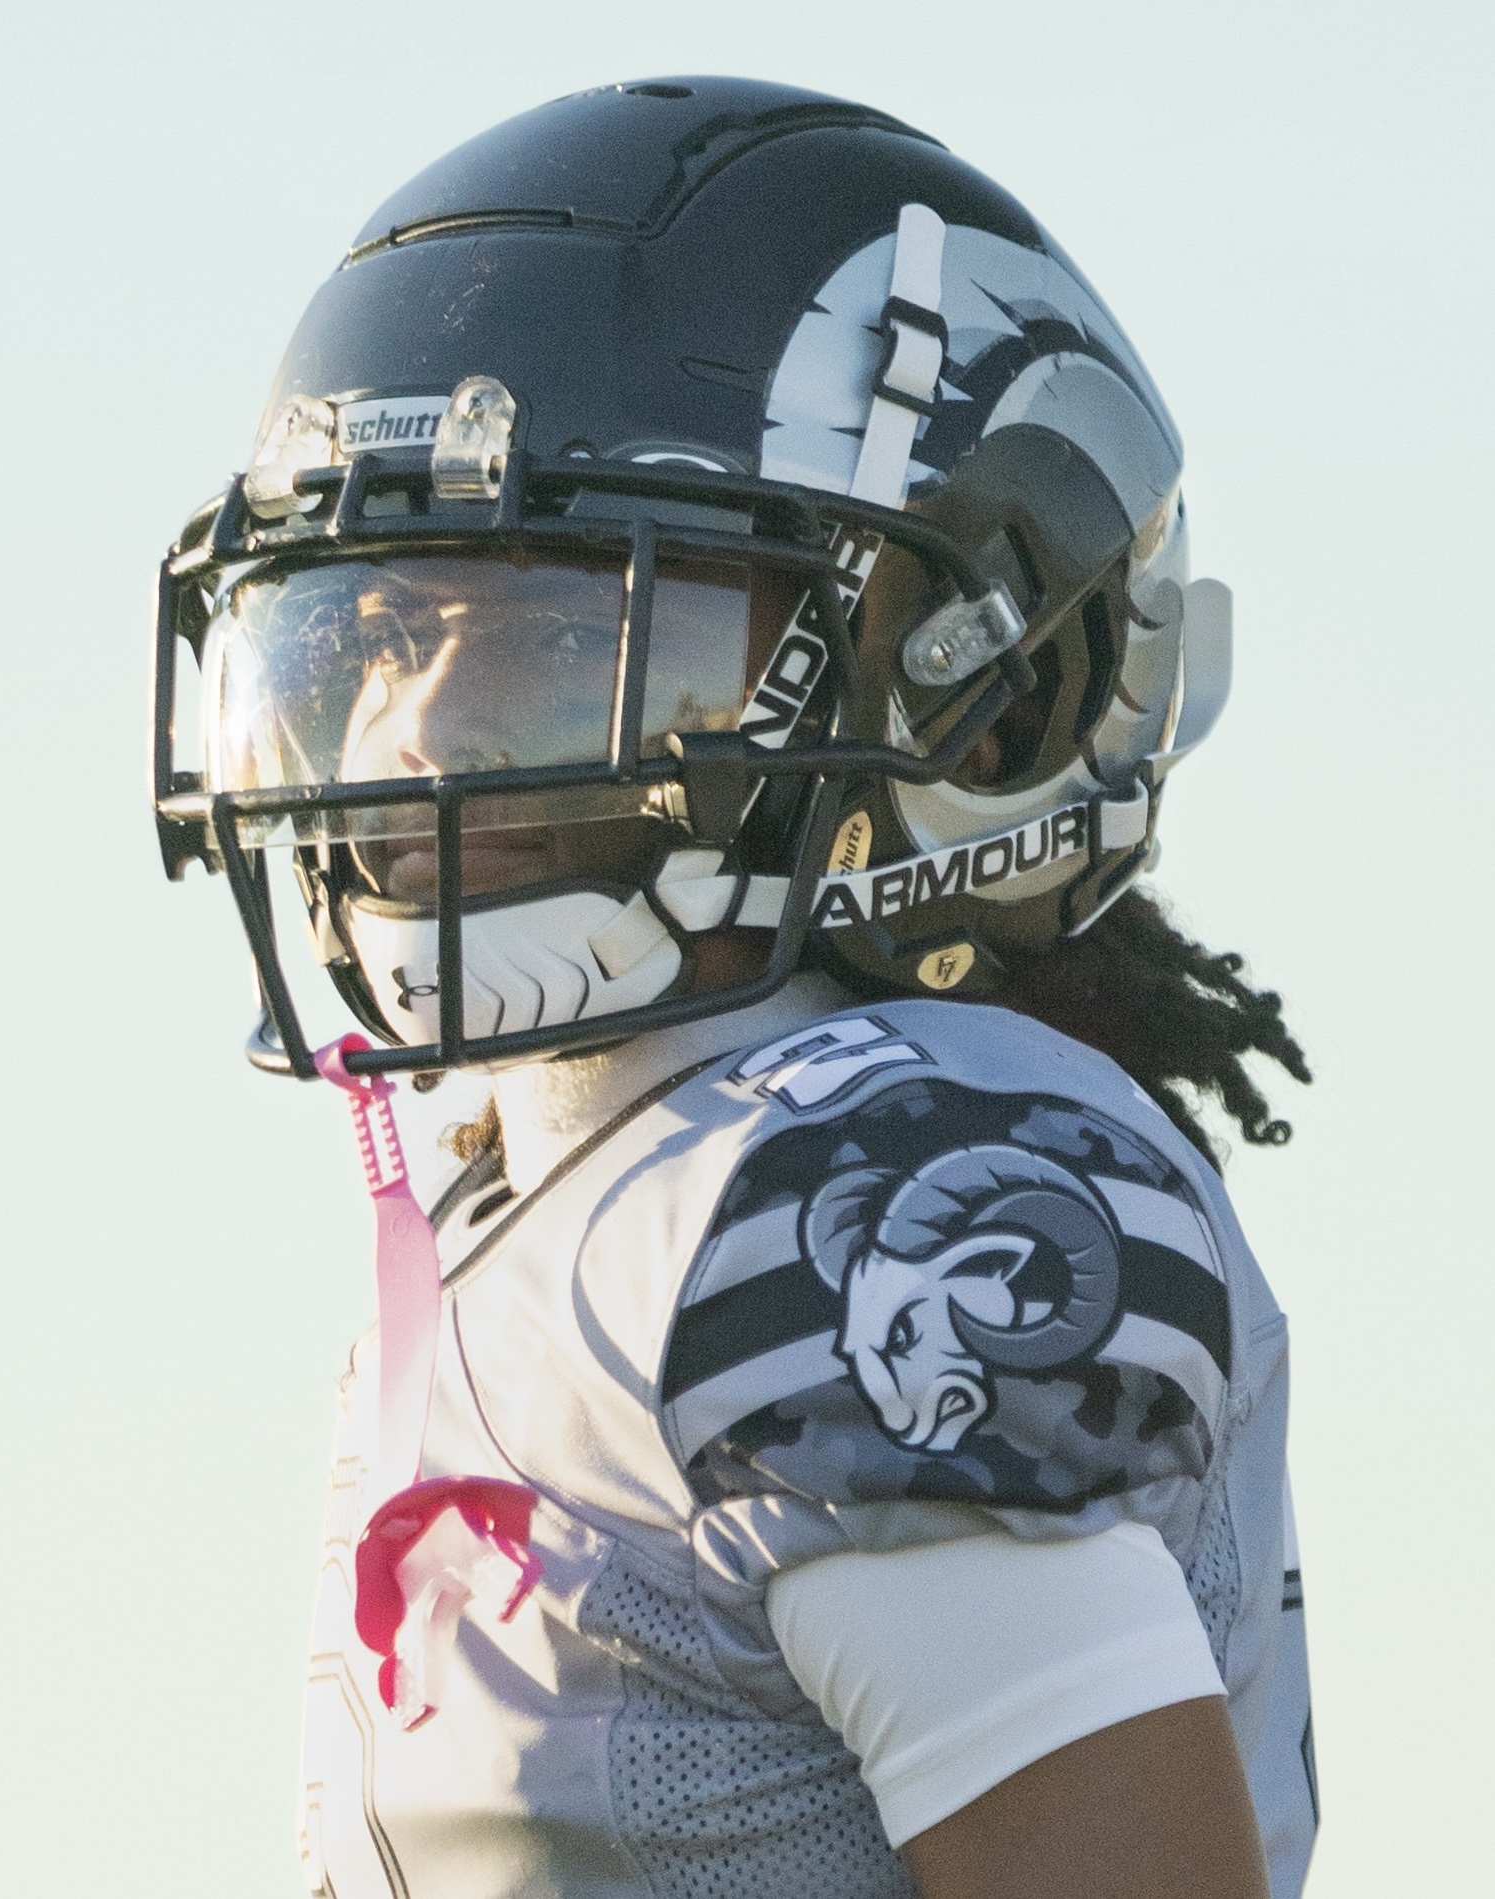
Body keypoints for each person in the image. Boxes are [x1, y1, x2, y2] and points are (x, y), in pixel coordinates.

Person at [153, 76, 1317, 1899]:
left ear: (983, 700)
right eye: (379, 633)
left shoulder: (869, 1197)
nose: (414, 730)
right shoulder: (559, 1186)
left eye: (557, 635)